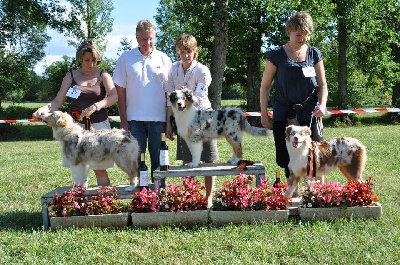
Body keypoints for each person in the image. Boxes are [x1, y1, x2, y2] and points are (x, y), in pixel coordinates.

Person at [32, 40, 118, 186]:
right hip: (75, 130)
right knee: (78, 168)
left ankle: (105, 203)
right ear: (80, 59)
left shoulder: (103, 75)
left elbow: (114, 96)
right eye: (87, 60)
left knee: (100, 170)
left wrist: (96, 106)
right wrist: (43, 109)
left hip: (99, 128)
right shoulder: (70, 76)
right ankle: (79, 204)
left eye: (94, 60)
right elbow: (58, 101)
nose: (91, 64)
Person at [259, 11, 328, 183]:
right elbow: (265, 86)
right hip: (283, 113)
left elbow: (323, 85)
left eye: (305, 35)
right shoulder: (276, 55)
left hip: (310, 115)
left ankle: (318, 197)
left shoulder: (314, 53)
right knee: (287, 158)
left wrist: (322, 104)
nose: (302, 38)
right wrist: (263, 113)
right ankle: (293, 196)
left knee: (315, 157)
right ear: (289, 30)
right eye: (298, 35)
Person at [113, 19, 172, 185]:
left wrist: (169, 121)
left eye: (151, 38)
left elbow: (169, 93)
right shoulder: (126, 58)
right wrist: (123, 119)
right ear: (137, 38)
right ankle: (141, 198)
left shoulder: (164, 59)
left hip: (158, 120)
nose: (148, 42)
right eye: (144, 39)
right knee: (136, 161)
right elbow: (120, 91)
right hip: (134, 121)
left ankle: (160, 196)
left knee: (159, 161)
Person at [166, 34, 219, 207]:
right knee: (187, 160)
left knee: (208, 159)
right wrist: (168, 122)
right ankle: (189, 197)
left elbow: (199, 94)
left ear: (195, 52)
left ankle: (209, 197)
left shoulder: (202, 70)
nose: (186, 55)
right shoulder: (173, 70)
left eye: (189, 51)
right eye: (183, 52)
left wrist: (187, 93)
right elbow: (170, 98)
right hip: (183, 119)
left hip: (203, 116)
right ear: (178, 52)